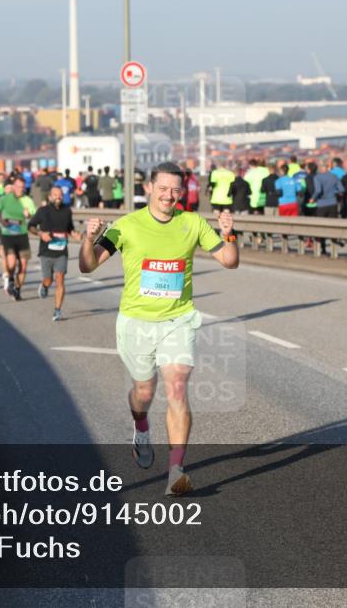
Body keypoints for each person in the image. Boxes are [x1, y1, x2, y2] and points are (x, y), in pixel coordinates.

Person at [79, 162, 239, 497]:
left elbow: (229, 261)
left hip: (177, 319)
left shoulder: (192, 222)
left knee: (177, 386)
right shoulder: (127, 226)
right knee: (144, 394)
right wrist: (87, 238)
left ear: (182, 192)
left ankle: (176, 472)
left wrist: (229, 232)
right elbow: (88, 265)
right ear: (149, 188)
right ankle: (141, 426)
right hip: (136, 322)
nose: (169, 196)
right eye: (163, 188)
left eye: (175, 190)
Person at [28, 186, 82, 321]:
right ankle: (45, 285)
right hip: (46, 251)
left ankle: (57, 310)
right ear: (50, 196)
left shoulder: (67, 211)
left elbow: (69, 227)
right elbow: (31, 226)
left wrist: (74, 234)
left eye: (60, 195)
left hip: (62, 252)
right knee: (49, 279)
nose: (58, 197)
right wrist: (41, 233)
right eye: (55, 195)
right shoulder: (43, 211)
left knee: (60, 279)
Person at [0, 177, 33, 300]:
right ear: (13, 187)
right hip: (8, 235)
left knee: (23, 266)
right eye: (18, 187)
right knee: (11, 263)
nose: (20, 189)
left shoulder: (27, 200)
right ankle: (10, 278)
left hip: (22, 236)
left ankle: (17, 289)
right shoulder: (5, 199)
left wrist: (29, 214)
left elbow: (34, 213)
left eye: (23, 187)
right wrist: (3, 222)